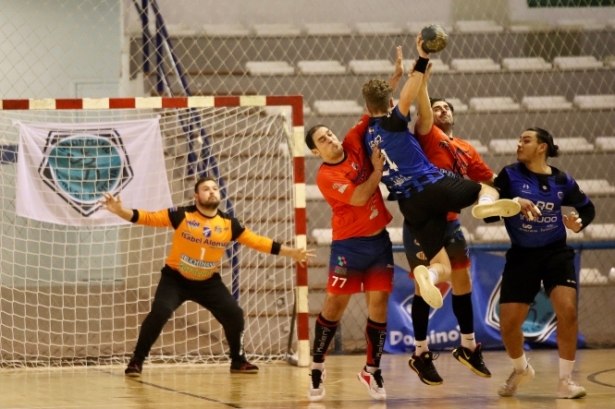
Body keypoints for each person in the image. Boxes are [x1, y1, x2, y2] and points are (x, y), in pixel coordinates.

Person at [361, 33, 520, 313]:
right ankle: (484, 206)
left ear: (365, 108)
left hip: (409, 205)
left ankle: (428, 276)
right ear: (389, 106)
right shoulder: (393, 123)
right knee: (485, 188)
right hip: (431, 186)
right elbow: (407, 96)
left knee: (441, 266)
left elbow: (382, 100)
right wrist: (422, 58)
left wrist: (396, 80)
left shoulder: (366, 135)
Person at [99, 177, 314, 377]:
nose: (211, 192)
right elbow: (146, 217)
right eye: (205, 189)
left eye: (214, 188)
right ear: (196, 196)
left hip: (208, 282)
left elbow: (257, 241)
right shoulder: (181, 215)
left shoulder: (229, 224)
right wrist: (120, 211)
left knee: (235, 314)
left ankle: (238, 361)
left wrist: (291, 252)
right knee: (160, 312)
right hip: (176, 279)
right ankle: (136, 361)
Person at [302, 46, 404, 402]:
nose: (329, 140)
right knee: (334, 308)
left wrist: (394, 79)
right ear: (316, 152)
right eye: (321, 140)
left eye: (329, 134)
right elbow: (360, 197)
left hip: (379, 243)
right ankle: (316, 368)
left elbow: (373, 109)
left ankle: (372, 370)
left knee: (378, 307)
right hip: (348, 246)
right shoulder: (326, 176)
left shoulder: (352, 141)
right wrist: (376, 171)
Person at [402, 67, 495, 385]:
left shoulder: (467, 149)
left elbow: (490, 178)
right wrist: (423, 81)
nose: (441, 111)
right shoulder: (429, 135)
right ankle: (420, 353)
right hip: (423, 218)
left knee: (462, 281)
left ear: (454, 116)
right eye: (437, 107)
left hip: (452, 222)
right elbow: (423, 110)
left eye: (446, 108)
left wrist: (515, 191)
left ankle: (468, 346)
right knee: (422, 287)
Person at [491, 127, 594, 399]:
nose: (518, 144)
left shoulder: (562, 180)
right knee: (510, 324)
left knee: (568, 311)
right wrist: (513, 202)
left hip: (556, 254)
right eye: (519, 139)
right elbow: (489, 215)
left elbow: (587, 207)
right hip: (522, 255)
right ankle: (520, 369)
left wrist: (578, 223)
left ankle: (565, 381)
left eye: (526, 140)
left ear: (542, 147)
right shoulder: (510, 174)